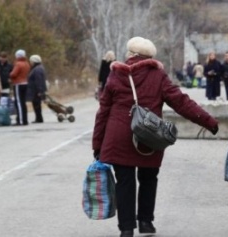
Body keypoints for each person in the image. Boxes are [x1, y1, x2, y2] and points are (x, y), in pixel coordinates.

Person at [92, 36, 219, 237]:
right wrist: (209, 122)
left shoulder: (115, 75)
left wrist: (97, 143)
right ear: (149, 56)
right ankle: (145, 222)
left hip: (117, 137)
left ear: (131, 54)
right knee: (149, 177)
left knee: (124, 182)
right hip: (148, 137)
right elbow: (181, 102)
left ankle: (126, 229)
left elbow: (103, 112)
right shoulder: (158, 76)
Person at [10, 49, 30, 126]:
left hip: (18, 83)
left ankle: (21, 120)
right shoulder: (27, 63)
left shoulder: (18, 64)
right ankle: (25, 119)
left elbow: (13, 74)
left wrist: (10, 75)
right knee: (23, 102)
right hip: (25, 83)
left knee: (18, 102)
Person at [26, 55, 47, 123]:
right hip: (35, 89)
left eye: (31, 61)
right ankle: (38, 117)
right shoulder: (38, 68)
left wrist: (40, 90)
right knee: (36, 104)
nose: (30, 62)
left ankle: (39, 118)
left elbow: (39, 80)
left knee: (37, 104)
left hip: (36, 90)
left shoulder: (37, 69)